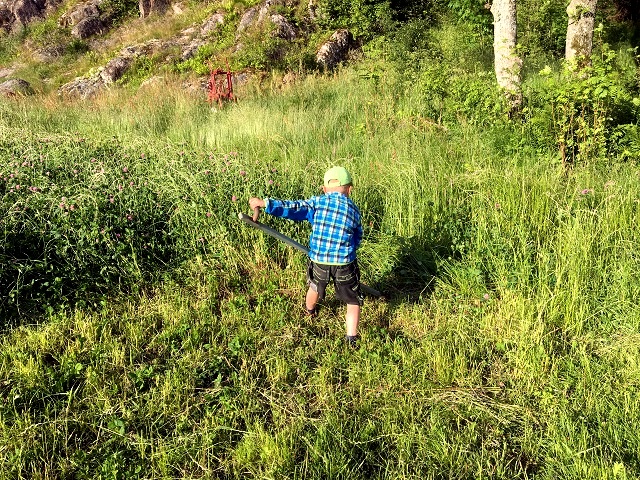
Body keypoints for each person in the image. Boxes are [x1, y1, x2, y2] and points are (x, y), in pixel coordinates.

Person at [249, 166, 364, 346]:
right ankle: (351, 338)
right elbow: (357, 236)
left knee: (315, 287)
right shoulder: (354, 210)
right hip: (344, 262)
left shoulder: (317, 203)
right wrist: (350, 249)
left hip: (319, 260)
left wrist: (265, 203)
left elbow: (293, 207)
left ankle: (309, 311)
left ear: (324, 189)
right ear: (349, 189)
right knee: (352, 300)